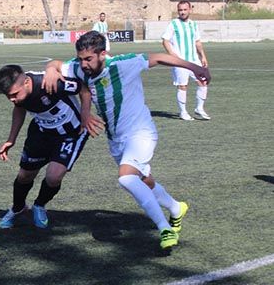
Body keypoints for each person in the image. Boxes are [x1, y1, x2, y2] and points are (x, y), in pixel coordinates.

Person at [43, 31, 211, 250]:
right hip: (116, 139)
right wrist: (49, 70)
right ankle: (176, 208)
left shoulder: (123, 64)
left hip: (140, 132)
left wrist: (195, 67)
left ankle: (163, 227)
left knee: (126, 178)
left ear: (103, 54)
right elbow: (57, 64)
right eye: (81, 58)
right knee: (144, 181)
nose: (83, 64)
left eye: (88, 59)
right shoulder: (78, 67)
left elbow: (159, 57)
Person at [0, 64, 104, 229]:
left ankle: (39, 205)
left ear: (26, 82)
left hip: (70, 133)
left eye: (14, 94)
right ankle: (18, 208)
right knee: (25, 175)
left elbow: (83, 88)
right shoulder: (19, 95)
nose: (12, 99)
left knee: (54, 176)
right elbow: (19, 108)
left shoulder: (50, 83)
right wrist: (11, 139)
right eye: (8, 96)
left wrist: (85, 114)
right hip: (41, 132)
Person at [162, 1, 210, 121]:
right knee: (183, 86)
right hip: (180, 61)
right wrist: (173, 55)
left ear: (190, 10)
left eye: (184, 9)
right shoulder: (174, 24)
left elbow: (197, 42)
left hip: (194, 61)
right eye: (180, 10)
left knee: (203, 82)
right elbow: (165, 40)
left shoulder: (193, 25)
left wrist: (203, 57)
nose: (182, 12)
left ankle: (199, 108)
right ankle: (183, 112)